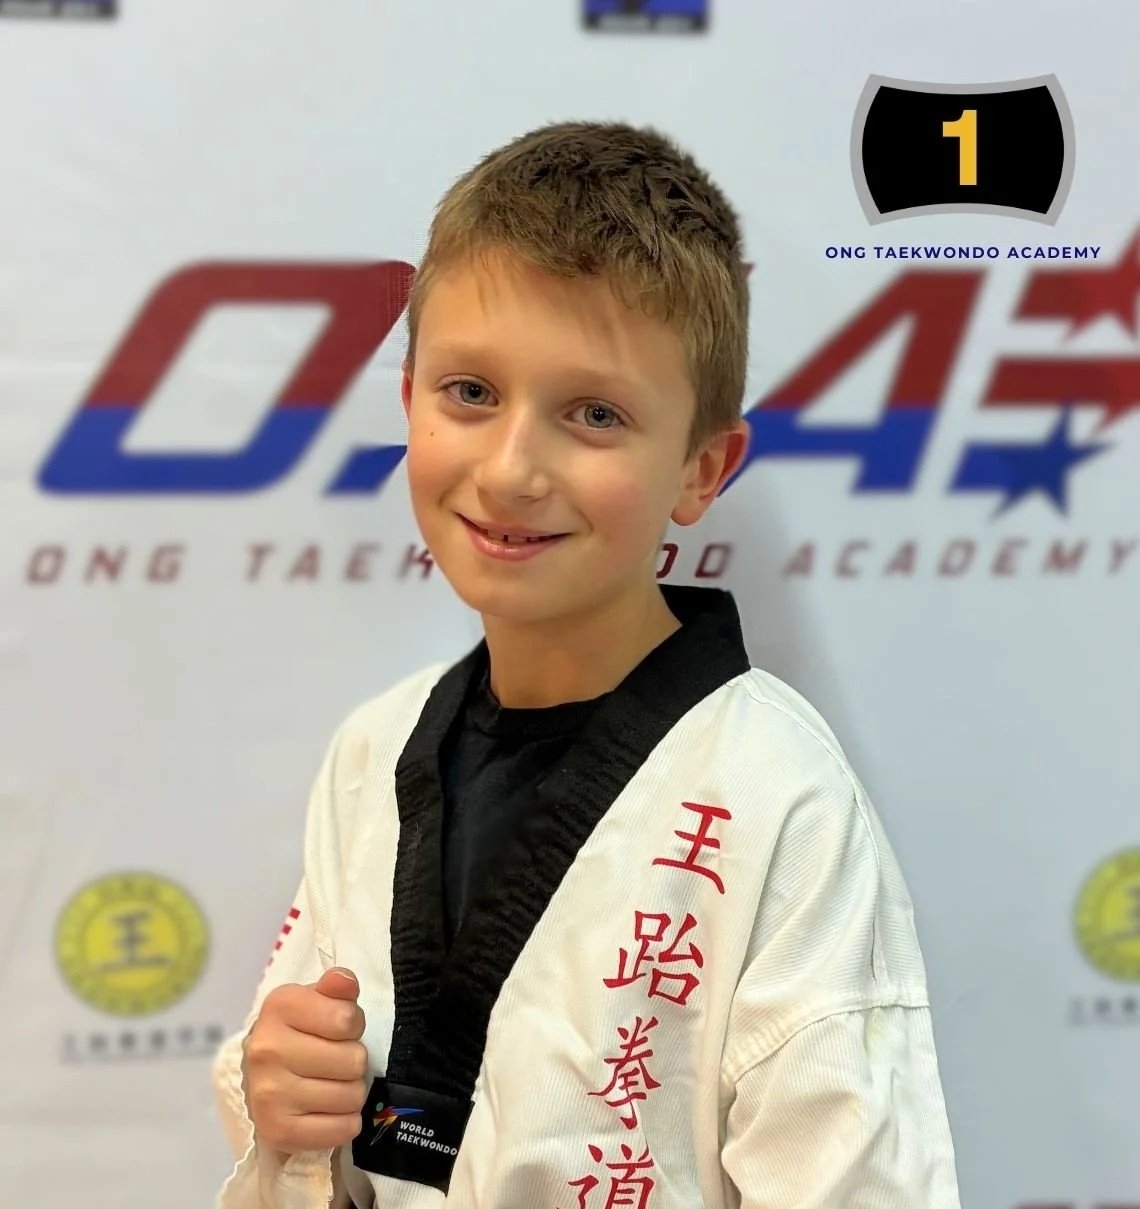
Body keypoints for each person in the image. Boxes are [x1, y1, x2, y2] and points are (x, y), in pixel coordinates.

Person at [211, 119, 962, 1208]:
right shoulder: (372, 751)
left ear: (702, 468)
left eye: (594, 414)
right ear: (409, 394)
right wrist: (288, 1109)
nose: (513, 469)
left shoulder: (775, 797)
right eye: (470, 393)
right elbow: (320, 1138)